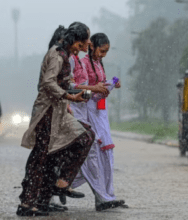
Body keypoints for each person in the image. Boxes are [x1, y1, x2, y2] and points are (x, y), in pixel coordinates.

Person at [17, 22, 95, 216]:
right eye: (81, 44)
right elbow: (48, 83)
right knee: (41, 157)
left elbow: (64, 81)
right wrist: (69, 96)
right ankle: (28, 203)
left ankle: (60, 183)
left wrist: (78, 91)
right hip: (47, 113)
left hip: (60, 111)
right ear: (73, 41)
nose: (84, 49)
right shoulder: (57, 54)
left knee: (84, 136)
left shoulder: (66, 55)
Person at [71, 33, 127, 211]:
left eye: (106, 52)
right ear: (91, 46)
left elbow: (96, 86)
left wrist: (109, 84)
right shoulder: (80, 63)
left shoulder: (96, 63)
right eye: (102, 51)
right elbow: (77, 88)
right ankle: (57, 186)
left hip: (100, 111)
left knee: (105, 154)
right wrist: (96, 89)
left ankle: (107, 195)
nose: (104, 55)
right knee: (93, 154)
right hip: (86, 112)